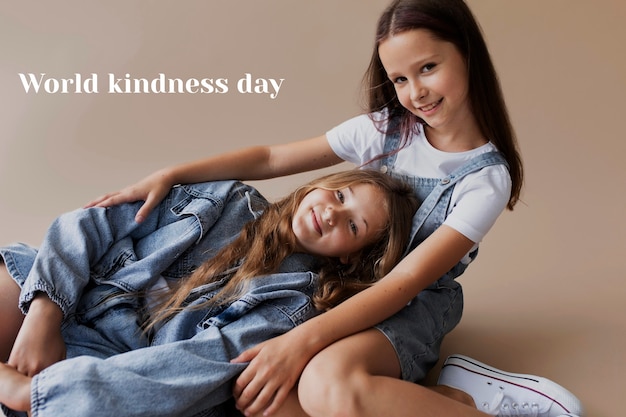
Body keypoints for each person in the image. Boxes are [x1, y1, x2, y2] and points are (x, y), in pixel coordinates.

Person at [83, 1, 585, 416]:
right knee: (261, 397)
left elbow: (402, 284)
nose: (416, 93)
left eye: (428, 68)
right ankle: (438, 398)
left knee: (325, 384)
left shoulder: (483, 179)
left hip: (409, 301)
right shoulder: (388, 128)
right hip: (339, 284)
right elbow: (272, 157)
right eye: (401, 79)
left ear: (468, 55)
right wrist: (170, 174)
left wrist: (298, 344)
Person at [0, 170, 419, 416]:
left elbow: (193, 367)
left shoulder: (297, 303)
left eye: (353, 225)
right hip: (73, 292)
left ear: (351, 258)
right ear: (322, 183)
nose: (331, 212)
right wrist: (44, 314)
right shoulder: (225, 198)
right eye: (340, 194)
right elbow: (91, 225)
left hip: (116, 361)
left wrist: (39, 394)